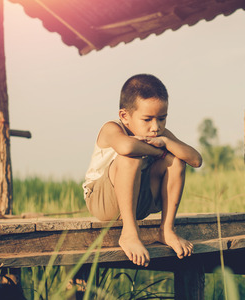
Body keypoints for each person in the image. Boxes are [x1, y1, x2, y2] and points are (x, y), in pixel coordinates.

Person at [82, 74, 202, 267]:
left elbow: (195, 159)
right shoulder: (112, 128)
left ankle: (167, 230)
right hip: (103, 201)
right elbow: (126, 148)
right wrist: (160, 152)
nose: (156, 127)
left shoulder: (161, 134)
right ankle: (130, 232)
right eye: (147, 119)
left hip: (139, 201)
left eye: (162, 119)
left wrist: (166, 142)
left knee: (177, 162)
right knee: (130, 160)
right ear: (125, 116)